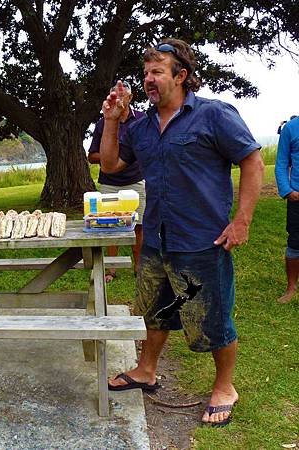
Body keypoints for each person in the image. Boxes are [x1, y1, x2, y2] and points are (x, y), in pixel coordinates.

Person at [99, 38, 264, 427]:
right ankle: (145, 370)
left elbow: (252, 162)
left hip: (202, 240)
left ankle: (225, 388)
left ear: (181, 76)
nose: (148, 79)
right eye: (145, 73)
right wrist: (110, 120)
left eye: (157, 72)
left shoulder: (214, 115)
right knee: (155, 312)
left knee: (213, 319)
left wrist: (242, 221)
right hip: (156, 240)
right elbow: (109, 164)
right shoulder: (139, 126)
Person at [88, 80, 146, 282]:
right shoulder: (103, 123)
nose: (119, 98)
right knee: (110, 225)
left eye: (123, 94)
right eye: (115, 95)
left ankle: (139, 267)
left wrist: (127, 157)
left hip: (135, 181)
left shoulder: (142, 119)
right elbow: (92, 155)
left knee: (138, 225)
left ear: (131, 97)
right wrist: (112, 156)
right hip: (109, 183)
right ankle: (111, 270)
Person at [275, 115, 299, 303]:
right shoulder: (290, 128)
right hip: (297, 197)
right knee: (295, 243)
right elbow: (282, 163)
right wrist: (287, 190)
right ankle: (291, 288)